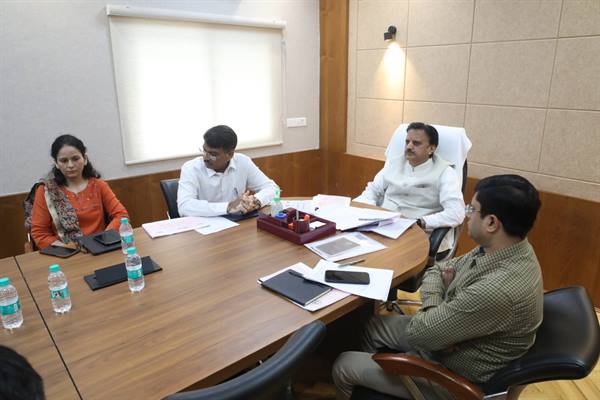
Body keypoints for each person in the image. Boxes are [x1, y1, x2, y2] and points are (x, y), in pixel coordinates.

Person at [333, 174, 543, 399]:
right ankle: (377, 381)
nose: (467, 215)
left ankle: (382, 379)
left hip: (453, 376)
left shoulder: (496, 289)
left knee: (344, 365)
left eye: (472, 209)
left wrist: (435, 324)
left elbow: (420, 333)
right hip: (448, 340)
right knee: (371, 327)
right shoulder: (506, 249)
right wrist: (439, 313)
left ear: (491, 223)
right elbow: (437, 269)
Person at [354, 122, 465, 251]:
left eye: (416, 143)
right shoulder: (393, 164)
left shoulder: (445, 172)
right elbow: (372, 191)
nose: (409, 146)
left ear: (431, 149)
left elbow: (456, 213)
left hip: (417, 234)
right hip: (381, 228)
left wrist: (421, 222)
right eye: (407, 142)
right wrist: (365, 213)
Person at [30, 134, 129, 249]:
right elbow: (40, 234)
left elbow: (121, 215)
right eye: (64, 161)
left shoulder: (99, 185)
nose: (70, 165)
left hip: (101, 247)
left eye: (75, 159)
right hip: (66, 252)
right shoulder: (46, 191)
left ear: (85, 159)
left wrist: (105, 238)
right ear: (56, 163)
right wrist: (67, 248)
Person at [177, 125, 278, 217]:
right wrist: (228, 207)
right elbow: (184, 206)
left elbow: (272, 188)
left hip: (238, 224)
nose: (205, 157)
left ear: (230, 154)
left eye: (213, 154)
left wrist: (255, 201)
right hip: (205, 226)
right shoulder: (191, 168)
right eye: (204, 150)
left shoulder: (242, 162)